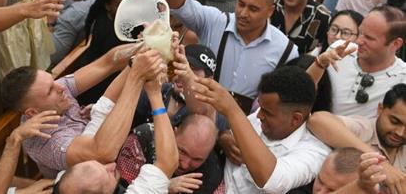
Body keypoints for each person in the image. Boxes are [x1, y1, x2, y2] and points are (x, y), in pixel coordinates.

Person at [0, 47, 165, 179]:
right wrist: (135, 74)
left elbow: (107, 62)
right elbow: (101, 152)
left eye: (53, 80)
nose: (61, 87)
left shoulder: (56, 90)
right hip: (96, 181)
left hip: (113, 155)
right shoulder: (45, 142)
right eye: (51, 90)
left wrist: (146, 46)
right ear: (32, 112)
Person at [159, 0, 298, 114]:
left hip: (247, 128)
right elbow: (182, 6)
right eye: (241, 4)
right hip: (199, 116)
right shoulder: (215, 21)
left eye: (253, 9)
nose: (243, 13)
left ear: (270, 11)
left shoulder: (286, 50)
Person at [192, 66, 331, 193]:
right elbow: (232, 135)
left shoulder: (315, 152)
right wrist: (223, 137)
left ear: (296, 119)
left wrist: (232, 111)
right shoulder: (266, 113)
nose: (258, 115)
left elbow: (271, 181)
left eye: (267, 112)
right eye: (260, 107)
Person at [54, 72, 178, 194]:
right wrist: (155, 95)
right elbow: (167, 162)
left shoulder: (69, 184)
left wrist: (134, 68)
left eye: (101, 165)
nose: (112, 165)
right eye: (109, 173)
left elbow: (102, 112)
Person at [308, 83, 406, 192]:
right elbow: (317, 120)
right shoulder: (363, 129)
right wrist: (380, 163)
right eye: (394, 121)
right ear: (380, 109)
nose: (400, 133)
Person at [311, 6, 406, 117]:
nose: (359, 41)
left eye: (369, 38)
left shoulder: (402, 79)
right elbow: (304, 92)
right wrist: (319, 63)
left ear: (396, 44)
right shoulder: (338, 49)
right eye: (360, 33)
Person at [117, 114, 224, 194]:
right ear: (173, 132)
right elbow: (121, 190)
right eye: (182, 151)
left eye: (197, 159)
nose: (185, 165)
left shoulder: (214, 170)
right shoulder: (143, 140)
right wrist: (163, 187)